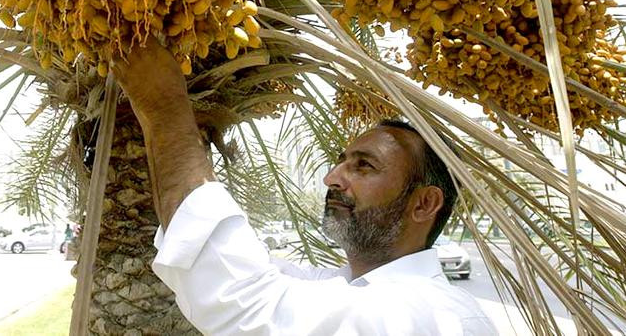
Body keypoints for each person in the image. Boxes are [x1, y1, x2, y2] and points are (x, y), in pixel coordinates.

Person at [112, 37, 497, 335]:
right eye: (342, 162)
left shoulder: (424, 314)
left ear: (424, 203)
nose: (332, 177)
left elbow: (246, 302)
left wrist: (164, 107)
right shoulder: (350, 287)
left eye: (363, 166)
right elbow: (227, 266)